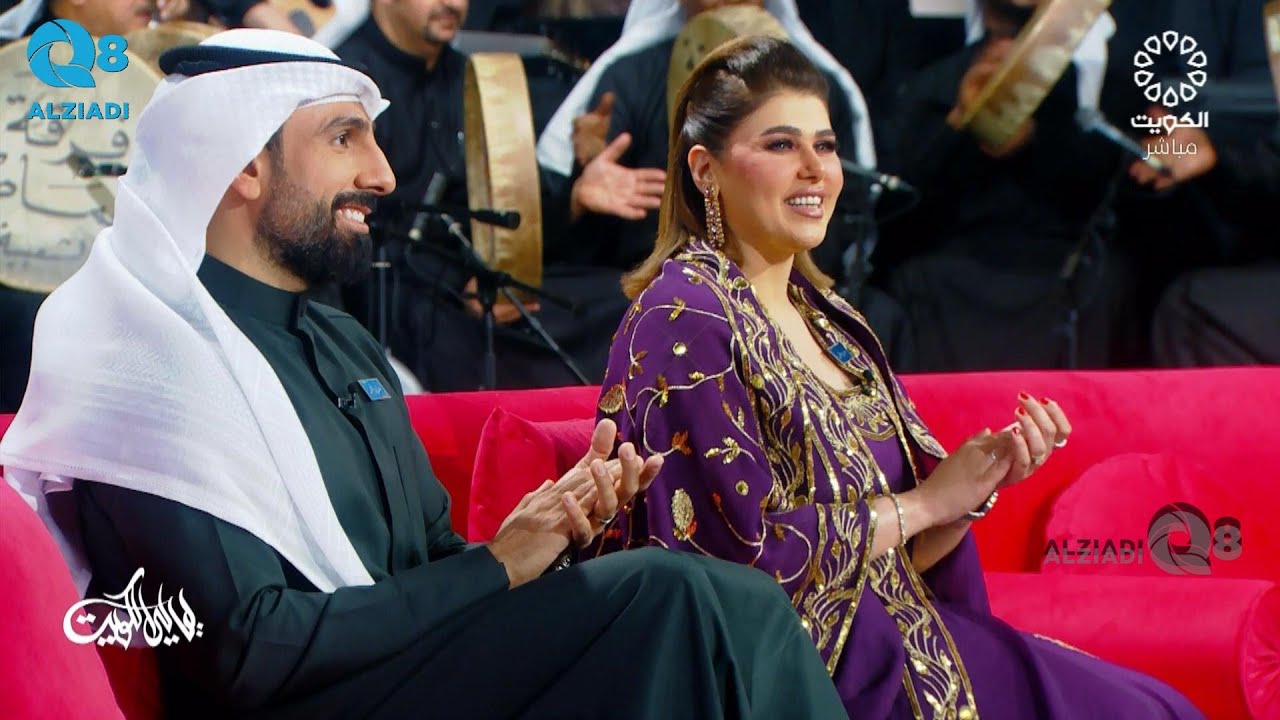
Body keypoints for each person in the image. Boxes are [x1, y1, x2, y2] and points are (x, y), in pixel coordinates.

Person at [0, 29, 849, 719]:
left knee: (722, 600)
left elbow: (433, 560)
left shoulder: (344, 344)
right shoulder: (147, 363)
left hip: (404, 672)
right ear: (243, 164)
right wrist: (498, 566)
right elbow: (249, 653)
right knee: (672, 600)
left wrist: (547, 536)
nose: (383, 174)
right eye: (344, 138)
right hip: (305, 702)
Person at [588, 35, 1206, 719]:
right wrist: (928, 504)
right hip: (809, 674)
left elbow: (905, 557)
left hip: (905, 634)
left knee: (1160, 706)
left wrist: (971, 489)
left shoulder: (832, 320)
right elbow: (729, 562)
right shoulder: (683, 317)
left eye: (825, 146)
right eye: (781, 145)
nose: (815, 171)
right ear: (705, 169)